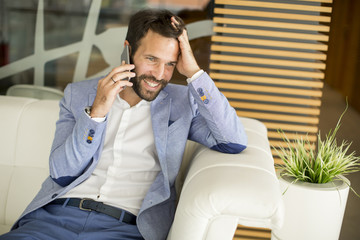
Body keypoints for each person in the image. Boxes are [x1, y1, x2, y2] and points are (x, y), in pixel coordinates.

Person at [0, 9, 247, 240]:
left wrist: (193, 72)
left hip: (125, 228)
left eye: (170, 64)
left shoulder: (182, 103)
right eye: (151, 59)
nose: (160, 74)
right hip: (53, 219)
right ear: (127, 51)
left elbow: (233, 141)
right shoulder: (78, 95)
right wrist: (96, 113)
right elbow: (62, 172)